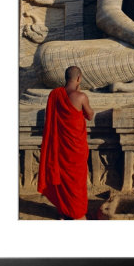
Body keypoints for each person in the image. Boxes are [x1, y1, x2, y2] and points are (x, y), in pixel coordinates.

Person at [38, 66, 94, 220]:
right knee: (76, 181)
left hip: (60, 147)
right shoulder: (81, 96)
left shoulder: (55, 94)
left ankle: (63, 211)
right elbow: (89, 115)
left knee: (62, 180)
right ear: (79, 78)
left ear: (66, 78)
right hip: (76, 148)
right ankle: (78, 214)